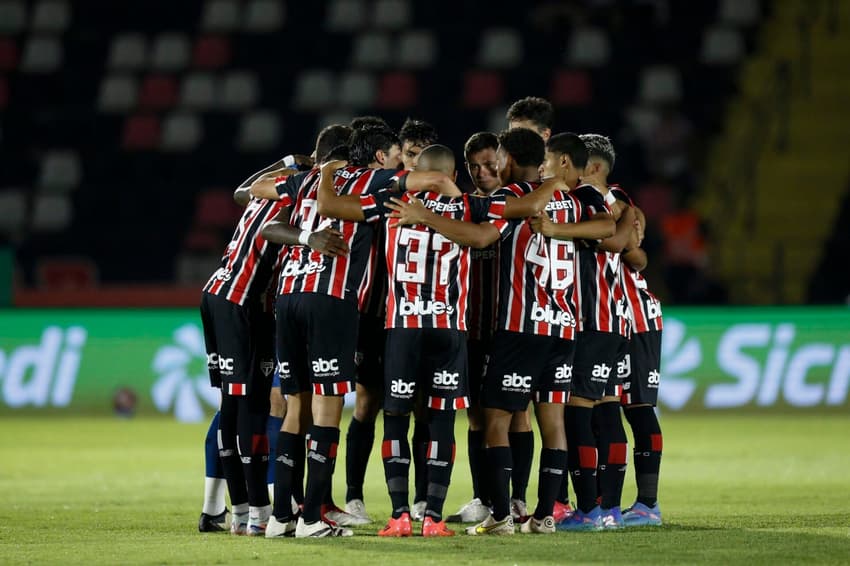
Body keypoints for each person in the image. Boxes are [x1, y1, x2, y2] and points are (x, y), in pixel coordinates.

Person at [199, 155, 304, 536]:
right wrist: (309, 237)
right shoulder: (294, 201)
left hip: (217, 293)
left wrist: (287, 161)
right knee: (252, 405)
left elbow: (240, 190)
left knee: (233, 403)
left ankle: (238, 510)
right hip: (240, 302)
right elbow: (274, 233)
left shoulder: (261, 194)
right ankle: (259, 510)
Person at [540, 133, 631, 531]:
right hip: (588, 320)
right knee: (597, 412)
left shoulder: (590, 197)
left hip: (595, 319)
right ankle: (603, 508)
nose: (542, 167)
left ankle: (591, 508)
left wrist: (555, 230)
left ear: (563, 161)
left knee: (578, 415)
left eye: (547, 159)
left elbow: (610, 231)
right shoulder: (575, 199)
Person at [610, 187, 664, 527]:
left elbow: (638, 254)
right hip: (606, 319)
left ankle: (648, 503)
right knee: (597, 408)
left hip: (634, 317)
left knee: (638, 407)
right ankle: (599, 502)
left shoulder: (614, 201)